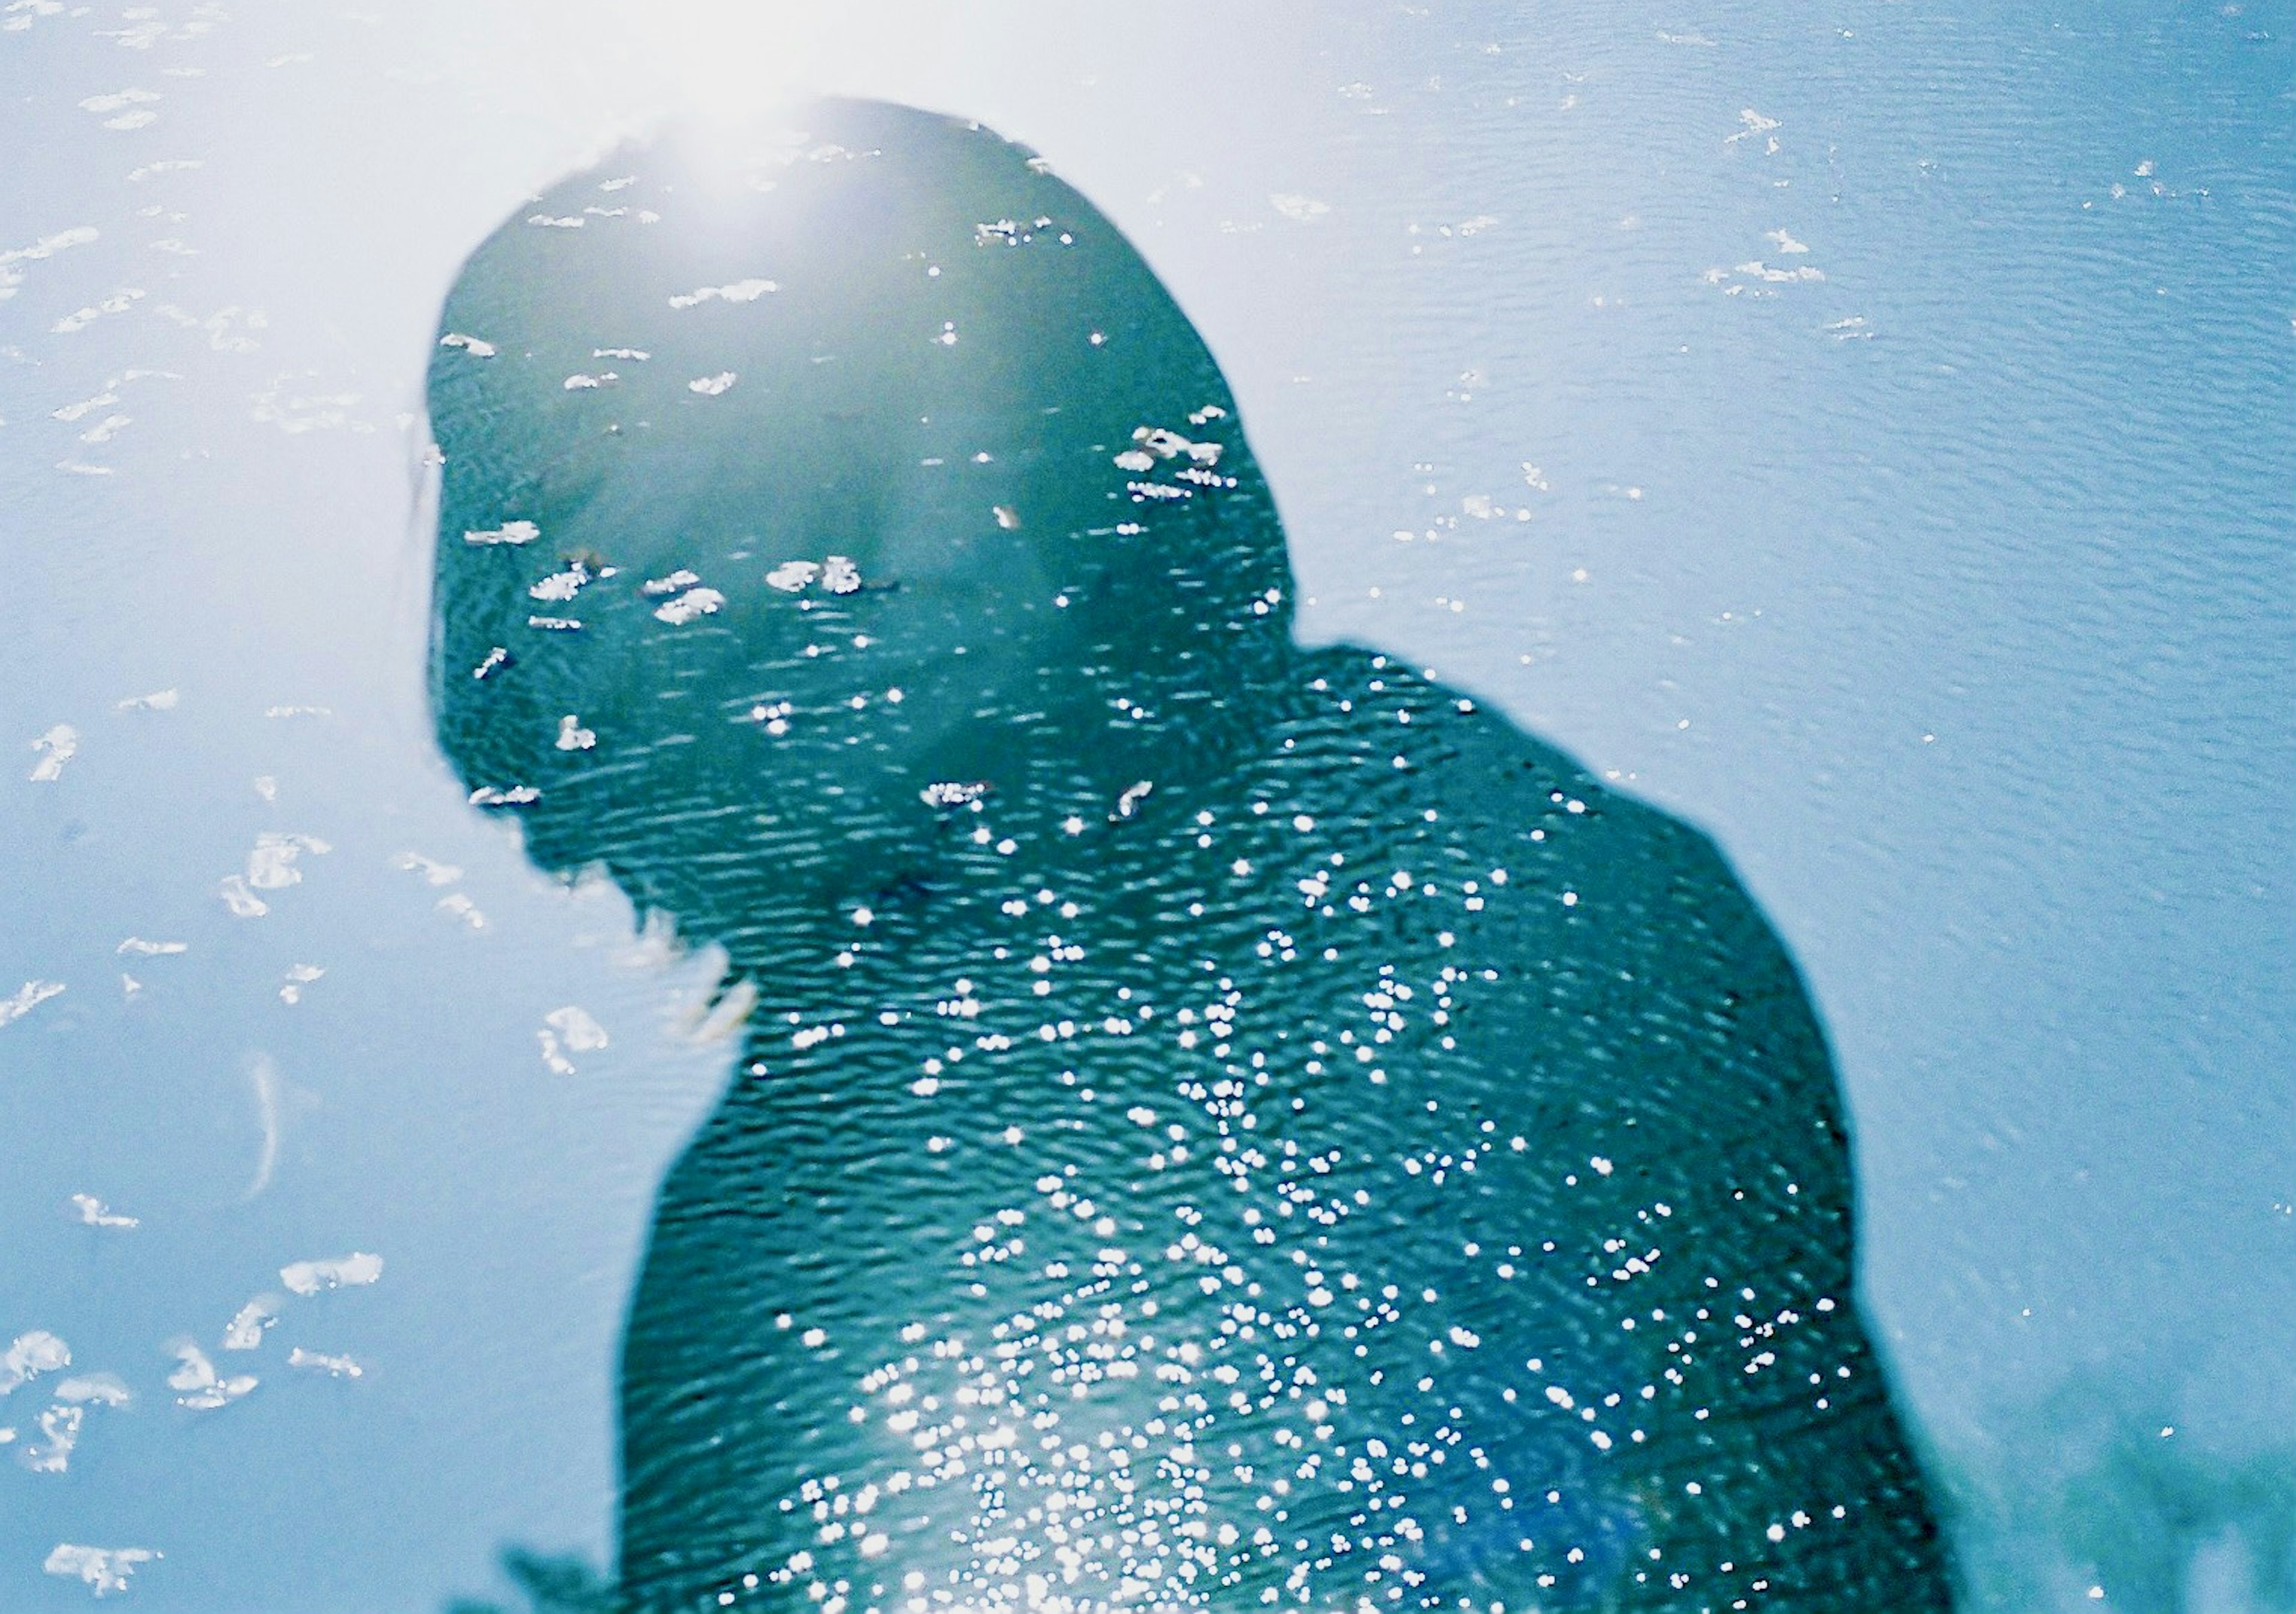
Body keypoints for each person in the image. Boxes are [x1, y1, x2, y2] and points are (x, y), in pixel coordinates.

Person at [428, 99, 1953, 1614]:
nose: (701, 655)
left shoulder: (1438, 866)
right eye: (632, 654)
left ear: (1065, 470)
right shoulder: (756, 1255)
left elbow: (1741, 1496)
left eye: (793, 538)